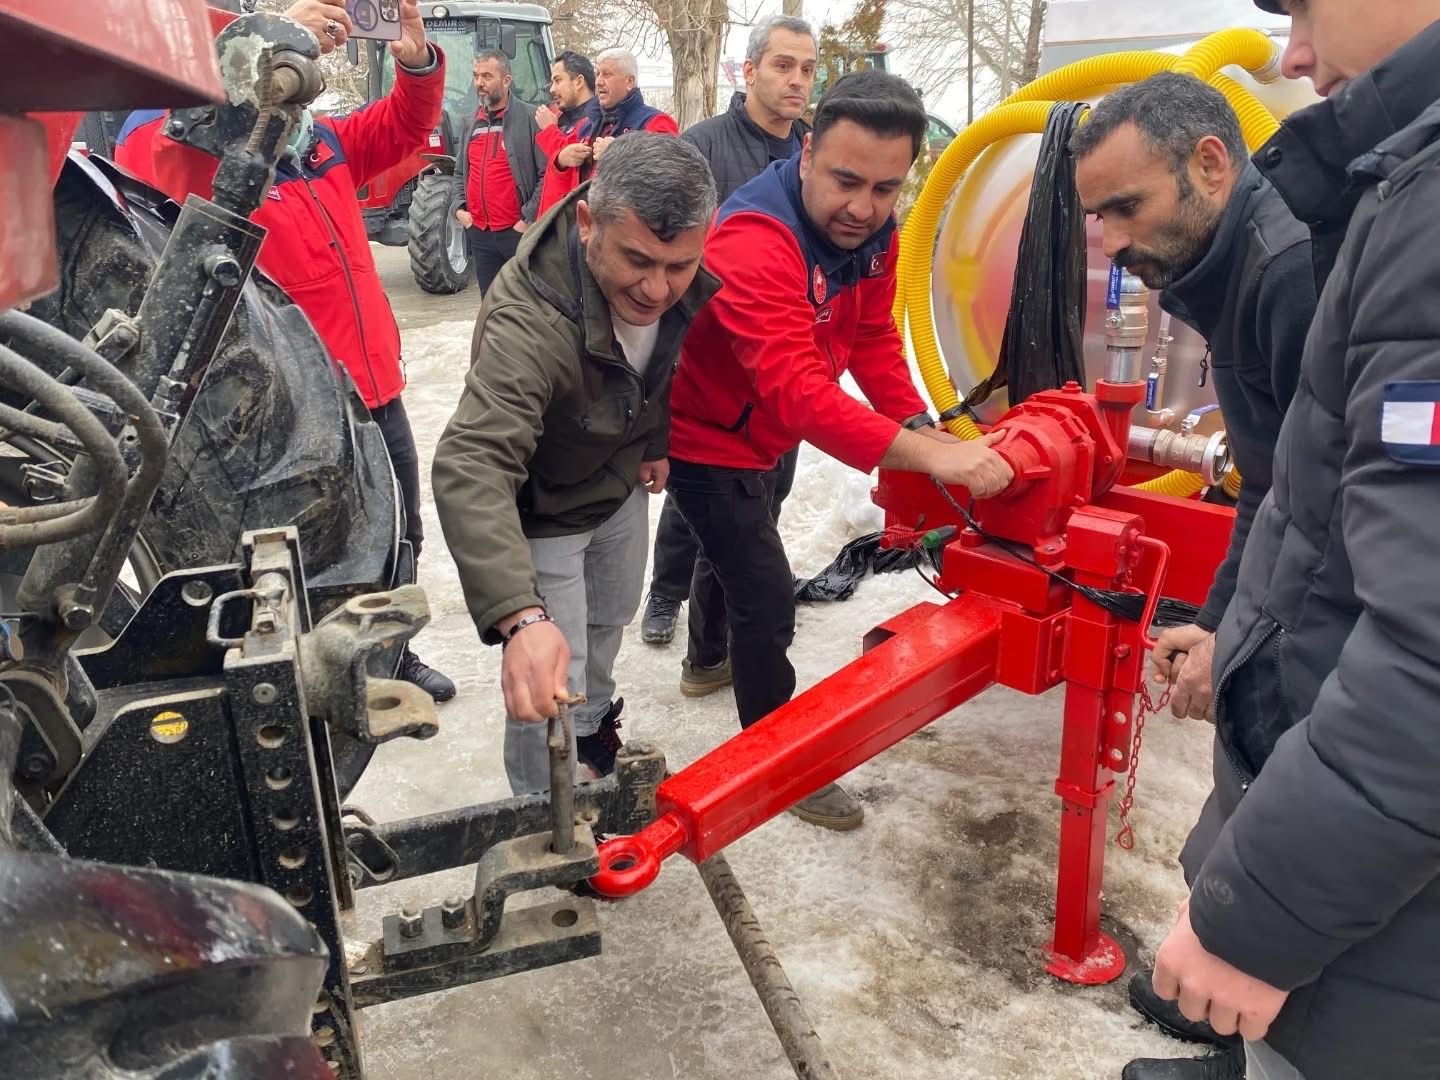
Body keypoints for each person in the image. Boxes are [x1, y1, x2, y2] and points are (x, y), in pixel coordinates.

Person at [1143, 3, 1440, 1080]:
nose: (1291, 52)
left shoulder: (1402, 220)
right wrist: (1233, 630)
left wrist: (1249, 922)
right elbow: (1316, 512)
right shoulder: (1386, 189)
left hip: (1379, 939)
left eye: (1308, 5)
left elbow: (1429, 656)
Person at [665, 71, 1012, 831]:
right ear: (807, 149)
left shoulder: (870, 232)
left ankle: (703, 664)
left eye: (886, 188)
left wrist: (918, 425)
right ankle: (775, 764)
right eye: (846, 180)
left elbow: (871, 339)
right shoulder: (756, 240)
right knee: (766, 595)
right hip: (709, 438)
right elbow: (796, 390)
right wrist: (933, 459)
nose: (863, 207)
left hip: (770, 432)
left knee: (732, 555)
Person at [1069, 72, 1318, 1080]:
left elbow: (1334, 514)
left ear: (1210, 165)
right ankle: (1231, 1013)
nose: (1111, 242)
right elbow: (1270, 480)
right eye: (1098, 217)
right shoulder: (1232, 274)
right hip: (1289, 590)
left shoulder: (1287, 275)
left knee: (1298, 817)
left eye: (1127, 207)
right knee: (1246, 812)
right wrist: (1219, 621)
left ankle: (1261, 1045)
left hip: (1351, 623)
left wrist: (1252, 644)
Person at [114, 0, 456, 702]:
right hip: (288, 408)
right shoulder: (194, 150)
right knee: (302, 550)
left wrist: (415, 53)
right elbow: (152, 136)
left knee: (399, 528)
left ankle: (391, 657)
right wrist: (262, 41)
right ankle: (305, 679)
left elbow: (405, 125)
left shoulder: (321, 143)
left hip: (375, 387)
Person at [431, 133, 718, 795]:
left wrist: (654, 440)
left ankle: (590, 741)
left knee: (606, 624)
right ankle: (546, 810)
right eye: (637, 261)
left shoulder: (672, 274)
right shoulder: (528, 316)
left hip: (618, 486)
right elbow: (471, 460)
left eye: (679, 266)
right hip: (548, 508)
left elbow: (656, 360)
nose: (657, 287)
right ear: (588, 222)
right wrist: (521, 617)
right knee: (550, 675)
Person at [640, 14, 820, 677]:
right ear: (748, 72)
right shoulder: (704, 147)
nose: (796, 79)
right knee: (699, 516)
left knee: (759, 516)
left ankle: (717, 636)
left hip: (786, 375)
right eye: (782, 65)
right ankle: (670, 601)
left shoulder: (814, 153)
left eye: (806, 68)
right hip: (708, 378)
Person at [535, 48, 680, 215]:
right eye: (597, 74)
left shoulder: (655, 122)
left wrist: (619, 152)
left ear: (629, 82)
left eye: (607, 74)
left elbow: (670, 174)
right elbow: (562, 176)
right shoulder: (587, 126)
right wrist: (561, 160)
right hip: (585, 230)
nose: (598, 81)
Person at [454, 50, 546, 294]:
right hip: (481, 235)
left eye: (487, 76)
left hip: (515, 233)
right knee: (491, 307)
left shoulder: (530, 118)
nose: (479, 83)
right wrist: (459, 209)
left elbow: (546, 175)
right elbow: (459, 173)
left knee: (524, 306)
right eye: (475, 76)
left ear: (506, 81)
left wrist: (527, 219)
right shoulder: (470, 122)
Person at [534, 50, 602, 167]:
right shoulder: (560, 119)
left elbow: (573, 170)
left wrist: (550, 130)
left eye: (558, 80)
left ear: (578, 82)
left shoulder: (597, 122)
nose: (552, 89)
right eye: (552, 82)